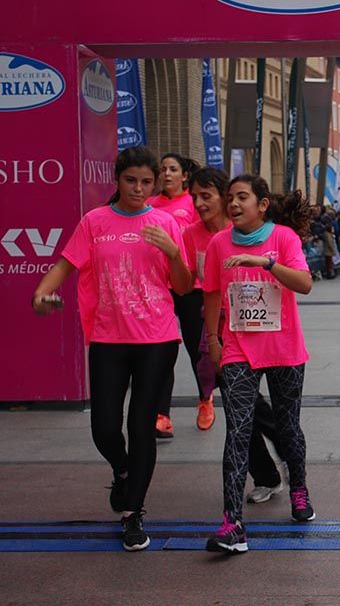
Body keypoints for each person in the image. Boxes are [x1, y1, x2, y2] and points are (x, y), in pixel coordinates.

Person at [31, 146, 192, 551]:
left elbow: (185, 285)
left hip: (157, 338)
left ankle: (133, 512)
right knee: (104, 426)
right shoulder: (95, 222)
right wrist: (41, 294)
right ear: (118, 180)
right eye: (130, 180)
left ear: (156, 184)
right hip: (107, 338)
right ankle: (123, 471)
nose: (138, 189)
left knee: (141, 428)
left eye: (146, 182)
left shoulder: (165, 224)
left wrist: (173, 252)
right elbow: (65, 266)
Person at [203, 175, 315, 554]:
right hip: (238, 348)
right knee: (237, 431)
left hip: (283, 348)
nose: (233, 204)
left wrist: (266, 262)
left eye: (242, 197)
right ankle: (232, 523)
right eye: (230, 198)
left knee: (286, 427)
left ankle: (298, 487)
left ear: (262, 204)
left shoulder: (283, 238)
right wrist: (213, 339)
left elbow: (304, 283)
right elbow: (213, 293)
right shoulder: (218, 243)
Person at [150, 153, 202, 438]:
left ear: (184, 176)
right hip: (160, 286)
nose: (166, 174)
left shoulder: (193, 203)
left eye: (173, 169)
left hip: (191, 285)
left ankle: (205, 398)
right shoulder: (150, 205)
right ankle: (162, 414)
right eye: (163, 169)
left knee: (196, 348)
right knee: (164, 349)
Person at [181, 167, 232, 431]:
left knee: (238, 392)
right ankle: (205, 398)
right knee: (204, 362)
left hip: (241, 320)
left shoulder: (241, 228)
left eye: (206, 196)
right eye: (194, 197)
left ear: (224, 196)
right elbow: (186, 282)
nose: (198, 204)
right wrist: (170, 255)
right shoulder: (190, 233)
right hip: (207, 312)